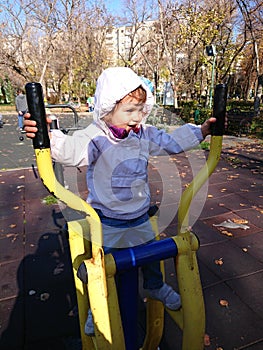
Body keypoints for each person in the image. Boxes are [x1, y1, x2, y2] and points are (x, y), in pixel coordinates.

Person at [24, 67, 217, 335]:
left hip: (138, 213)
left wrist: (201, 131)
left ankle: (153, 285)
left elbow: (170, 141)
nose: (137, 118)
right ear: (107, 109)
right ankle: (97, 305)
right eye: (130, 111)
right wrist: (46, 134)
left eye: (140, 109)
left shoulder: (143, 134)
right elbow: (69, 151)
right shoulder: (95, 137)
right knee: (103, 268)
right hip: (107, 218)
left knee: (150, 254)